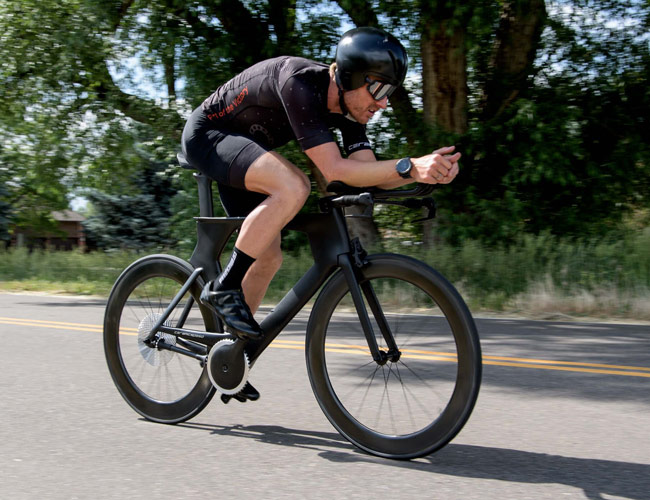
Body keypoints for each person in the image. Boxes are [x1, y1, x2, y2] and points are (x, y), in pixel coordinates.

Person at [182, 26, 460, 344]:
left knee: (268, 258)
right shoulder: (299, 83)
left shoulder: (349, 110)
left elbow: (366, 173)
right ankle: (224, 287)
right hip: (208, 136)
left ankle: (229, 352)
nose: (384, 104)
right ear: (351, 77)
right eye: (379, 89)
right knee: (295, 186)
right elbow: (335, 170)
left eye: (390, 93)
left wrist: (421, 174)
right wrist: (410, 166)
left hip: (246, 153)